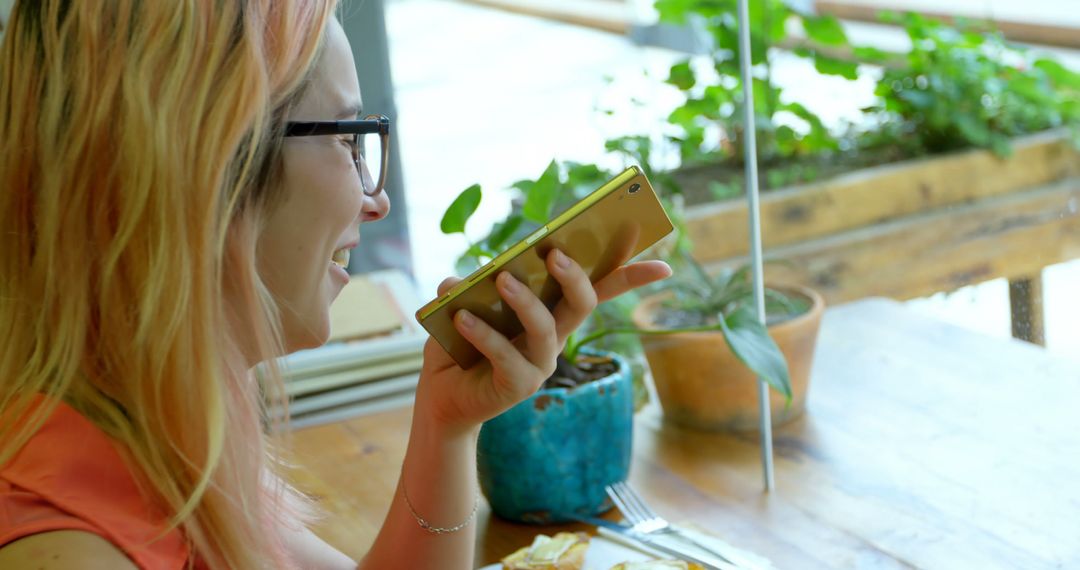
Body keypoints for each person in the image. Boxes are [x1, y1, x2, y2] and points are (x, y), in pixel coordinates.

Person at [0, 2, 671, 568]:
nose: (373, 200)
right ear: (211, 165)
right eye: (350, 139)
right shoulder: (68, 545)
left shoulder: (154, 422)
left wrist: (447, 424)